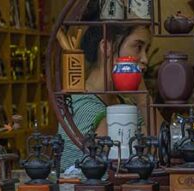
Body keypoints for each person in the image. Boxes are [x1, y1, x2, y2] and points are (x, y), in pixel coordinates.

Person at [58, 9, 151, 171]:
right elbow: (129, 161)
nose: (145, 59)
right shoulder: (85, 105)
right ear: (107, 47)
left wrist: (141, 95)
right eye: (138, 47)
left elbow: (163, 145)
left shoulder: (123, 101)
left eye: (146, 50)